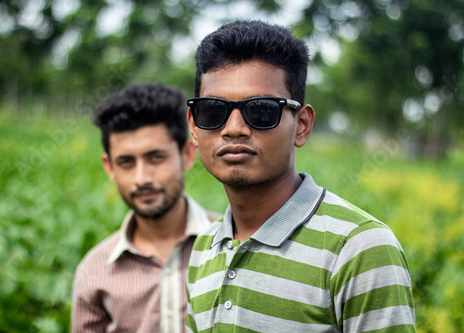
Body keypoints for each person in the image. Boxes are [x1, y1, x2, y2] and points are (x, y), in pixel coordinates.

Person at [185, 20, 415, 332]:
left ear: (302, 125)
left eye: (262, 110)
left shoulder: (359, 249)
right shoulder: (203, 248)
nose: (234, 128)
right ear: (193, 126)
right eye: (213, 111)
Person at [71, 83, 220, 332]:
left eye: (156, 158)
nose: (142, 178)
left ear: (187, 154)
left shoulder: (231, 247)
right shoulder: (95, 271)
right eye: (126, 162)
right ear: (109, 167)